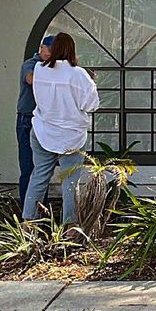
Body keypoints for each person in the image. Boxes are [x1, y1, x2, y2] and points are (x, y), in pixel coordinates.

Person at [22, 32, 100, 224]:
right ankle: (70, 226)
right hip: (71, 136)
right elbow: (91, 105)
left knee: (39, 176)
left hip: (42, 130)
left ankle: (28, 223)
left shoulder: (39, 69)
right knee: (70, 182)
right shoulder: (78, 74)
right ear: (71, 50)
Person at [17, 35, 54, 204]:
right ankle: (27, 210)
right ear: (41, 47)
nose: (50, 53)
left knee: (42, 169)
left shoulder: (54, 68)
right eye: (48, 49)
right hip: (27, 120)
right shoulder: (30, 64)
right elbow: (31, 79)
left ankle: (41, 209)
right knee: (28, 167)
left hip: (46, 121)